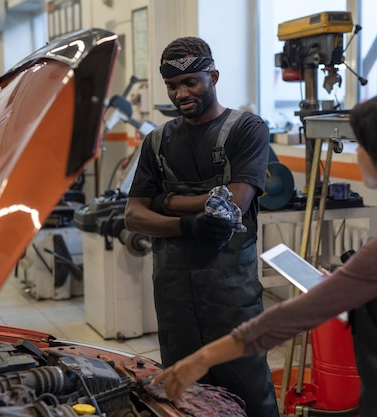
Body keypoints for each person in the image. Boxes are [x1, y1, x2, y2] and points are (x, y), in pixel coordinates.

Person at [151, 88, 377, 417]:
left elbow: (288, 319)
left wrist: (200, 360)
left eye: (360, 143)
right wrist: (353, 292)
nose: (357, 152)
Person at [124, 37, 279, 417]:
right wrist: (193, 224)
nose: (181, 94)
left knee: (247, 387)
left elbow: (235, 203)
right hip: (174, 290)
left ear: (213, 76)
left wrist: (165, 202)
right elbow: (133, 216)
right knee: (183, 391)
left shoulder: (248, 129)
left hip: (230, 290)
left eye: (191, 82)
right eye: (173, 86)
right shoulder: (157, 142)